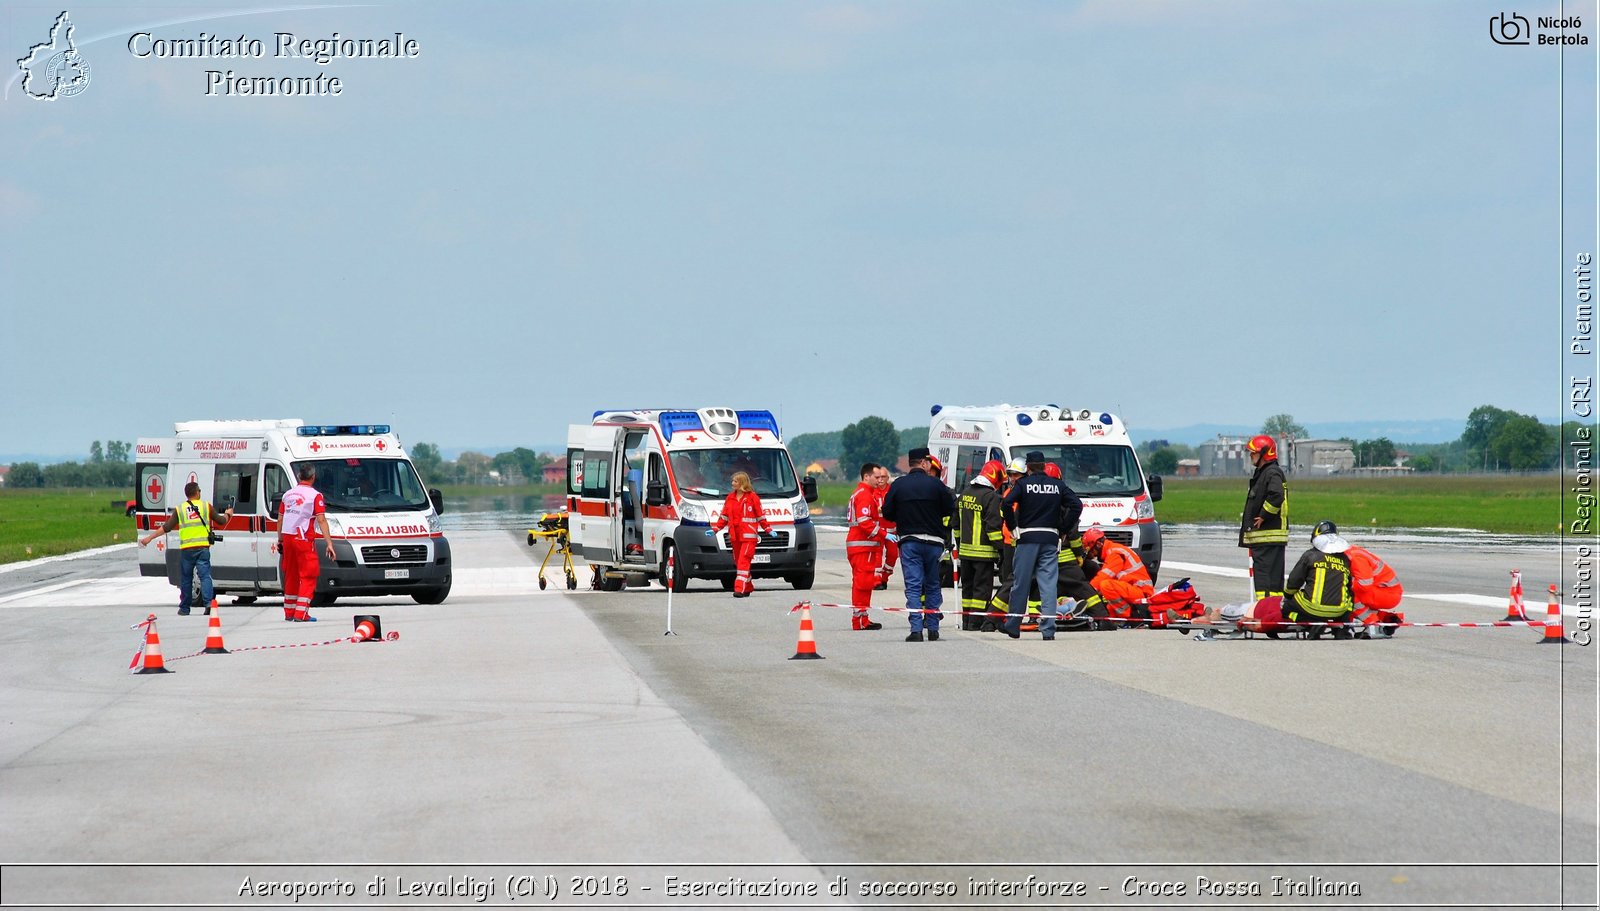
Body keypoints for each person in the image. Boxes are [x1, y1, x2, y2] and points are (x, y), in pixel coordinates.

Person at [999, 451, 1082, 640]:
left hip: (1027, 538)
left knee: (1021, 583)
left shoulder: (1022, 484)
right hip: (1050, 539)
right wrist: (1063, 528)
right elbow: (1076, 505)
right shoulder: (1057, 485)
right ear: (1044, 466)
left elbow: (1006, 503)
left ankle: (1013, 625)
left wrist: (1013, 527)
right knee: (1048, 584)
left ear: (1027, 467)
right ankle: (1048, 629)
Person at [881, 447, 956, 642]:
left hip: (910, 542)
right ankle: (933, 629)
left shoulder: (899, 485)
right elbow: (950, 508)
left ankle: (916, 630)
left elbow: (887, 512)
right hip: (934, 542)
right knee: (932, 585)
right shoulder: (936, 484)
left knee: (913, 586)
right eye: (929, 462)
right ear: (923, 463)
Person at [138, 481, 234, 616]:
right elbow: (222, 521)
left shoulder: (180, 509)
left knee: (186, 579)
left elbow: (166, 527)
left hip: (187, 549)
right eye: (199, 490)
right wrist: (228, 514)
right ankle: (208, 604)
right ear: (197, 492)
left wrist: (149, 538)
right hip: (202, 548)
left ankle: (184, 608)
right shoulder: (206, 506)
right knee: (205, 576)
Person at [1044, 463, 1103, 630]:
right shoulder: (1066, 501)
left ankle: (1039, 617)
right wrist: (1079, 555)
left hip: (1042, 556)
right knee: (1082, 587)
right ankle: (1103, 618)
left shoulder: (1036, 500)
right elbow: (1073, 534)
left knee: (1040, 588)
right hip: (1065, 557)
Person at [279, 465, 337, 622]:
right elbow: (321, 520)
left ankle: (289, 612)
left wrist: (280, 540)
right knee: (309, 574)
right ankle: (301, 613)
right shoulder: (315, 496)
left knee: (290, 574)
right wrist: (329, 543)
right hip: (302, 538)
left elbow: (281, 518)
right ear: (313, 477)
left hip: (288, 537)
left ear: (299, 476)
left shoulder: (288, 495)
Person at [955, 459, 1005, 630]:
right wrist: (1002, 550)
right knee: (981, 590)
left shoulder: (964, 493)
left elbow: (955, 524)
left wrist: (959, 544)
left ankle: (966, 622)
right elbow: (993, 528)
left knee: (967, 589)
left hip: (965, 553)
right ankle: (976, 623)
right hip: (984, 554)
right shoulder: (990, 497)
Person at [1284, 519, 1356, 637]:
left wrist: (1288, 596)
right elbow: (1349, 587)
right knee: (1349, 597)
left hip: (1312, 608)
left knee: (1286, 609)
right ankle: (1341, 627)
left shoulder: (1310, 555)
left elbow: (1294, 581)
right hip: (1339, 610)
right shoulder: (1345, 559)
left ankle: (1310, 625)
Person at [1240, 434, 1289, 600]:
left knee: (1265, 580)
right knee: (1272, 581)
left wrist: (1263, 516)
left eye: (1253, 453)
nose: (1251, 456)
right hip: (1267, 538)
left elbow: (1276, 495)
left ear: (1264, 453)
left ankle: (1265, 611)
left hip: (1267, 536)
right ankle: (1272, 609)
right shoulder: (1265, 473)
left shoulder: (1271, 473)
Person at [711, 471, 772, 598]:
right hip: (735, 536)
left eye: (735, 481)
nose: (732, 483)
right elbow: (724, 516)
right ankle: (748, 586)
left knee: (744, 561)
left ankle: (739, 588)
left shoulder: (752, 497)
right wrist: (716, 528)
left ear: (742, 483)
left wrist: (768, 529)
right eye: (732, 481)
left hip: (749, 536)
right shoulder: (730, 498)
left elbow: (760, 515)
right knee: (739, 562)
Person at [1081, 525, 1155, 626]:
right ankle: (1123, 618)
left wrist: (1086, 593)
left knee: (1105, 585)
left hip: (1141, 593)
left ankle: (1129, 618)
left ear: (1098, 544)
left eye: (1091, 551)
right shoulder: (1113, 551)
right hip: (1134, 590)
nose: (1092, 555)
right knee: (1107, 607)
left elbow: (1103, 577)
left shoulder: (1114, 553)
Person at [845, 463, 888, 630]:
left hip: (861, 546)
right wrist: (884, 534)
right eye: (876, 477)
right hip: (862, 546)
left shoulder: (863, 493)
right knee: (862, 584)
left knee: (863, 583)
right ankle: (860, 620)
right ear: (866, 477)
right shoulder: (864, 495)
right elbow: (865, 522)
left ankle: (862, 618)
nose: (879, 481)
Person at [871, 464, 897, 590]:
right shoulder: (871, 491)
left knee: (893, 554)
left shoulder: (893, 491)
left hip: (891, 530)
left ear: (888, 478)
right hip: (877, 530)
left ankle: (885, 577)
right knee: (877, 555)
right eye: (878, 477)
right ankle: (876, 581)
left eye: (883, 477)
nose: (880, 479)